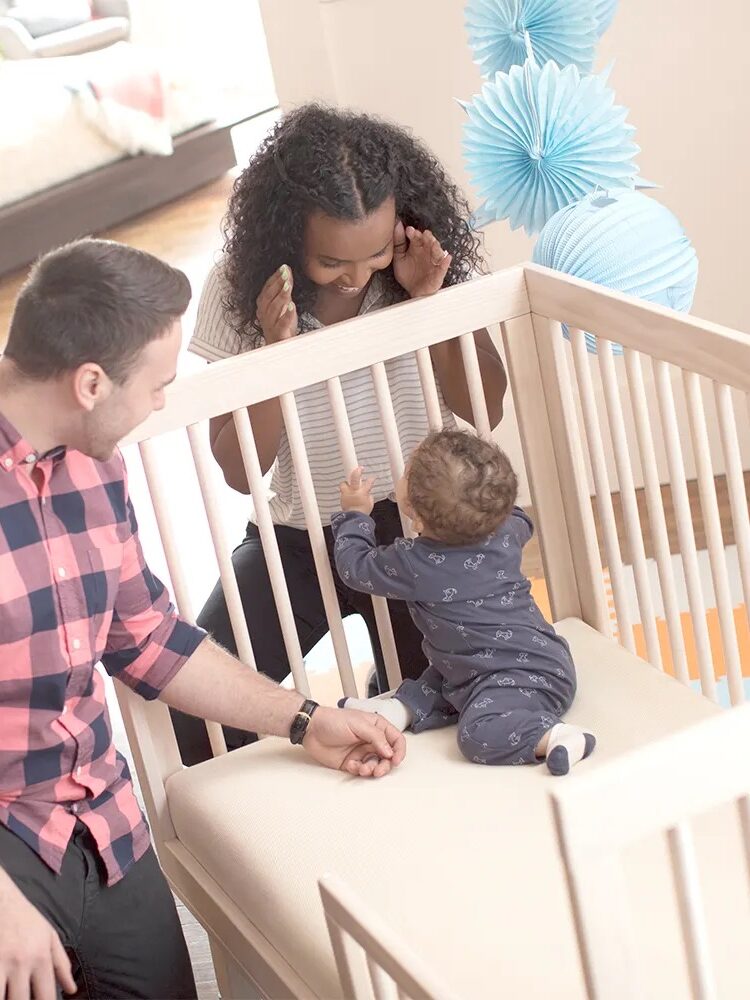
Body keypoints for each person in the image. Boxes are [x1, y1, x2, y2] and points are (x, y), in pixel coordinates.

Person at [0, 239, 405, 1000]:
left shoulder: (95, 465)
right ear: (90, 382)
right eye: (158, 385)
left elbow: (149, 640)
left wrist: (303, 717)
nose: (162, 403)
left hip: (99, 816)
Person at [179, 103, 508, 764]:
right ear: (285, 239)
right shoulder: (241, 290)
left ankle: (381, 706)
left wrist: (430, 303)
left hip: (422, 533)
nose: (357, 277)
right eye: (332, 261)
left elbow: (486, 405)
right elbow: (241, 470)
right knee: (199, 705)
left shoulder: (420, 268)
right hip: (302, 537)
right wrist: (274, 353)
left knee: (443, 696)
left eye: (375, 253)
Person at [332, 430, 596, 775]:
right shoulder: (505, 532)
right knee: (440, 679)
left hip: (521, 681)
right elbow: (519, 517)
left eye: (407, 473)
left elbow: (355, 567)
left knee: (476, 734)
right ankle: (398, 711)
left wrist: (356, 516)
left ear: (417, 517)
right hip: (536, 660)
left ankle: (553, 735)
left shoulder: (414, 564)